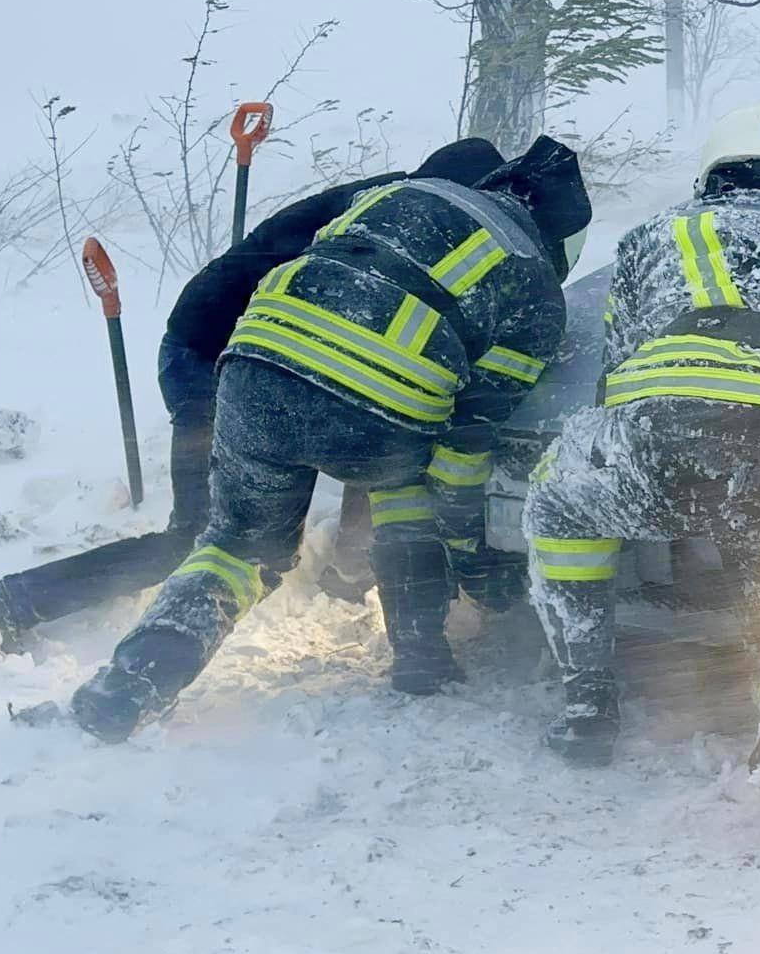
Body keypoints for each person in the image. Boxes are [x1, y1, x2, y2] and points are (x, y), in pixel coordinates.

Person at [68, 136, 592, 742]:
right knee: (407, 491)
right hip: (375, 414)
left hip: (252, 373)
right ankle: (421, 657)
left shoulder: (397, 195)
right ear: (561, 242)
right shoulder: (534, 286)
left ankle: (135, 680)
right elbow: (465, 445)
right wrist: (469, 551)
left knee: (238, 547)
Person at [0, 139, 508, 653]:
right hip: (213, 361)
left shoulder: (390, 207)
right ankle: (3, 602)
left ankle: (346, 574)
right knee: (202, 536)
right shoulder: (398, 221)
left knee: (380, 421)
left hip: (262, 358)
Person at [521, 103, 760, 844]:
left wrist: (653, 475)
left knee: (560, 503)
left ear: (710, 177)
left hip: (674, 429)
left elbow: (617, 375)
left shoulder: (658, 235)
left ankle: (588, 698)